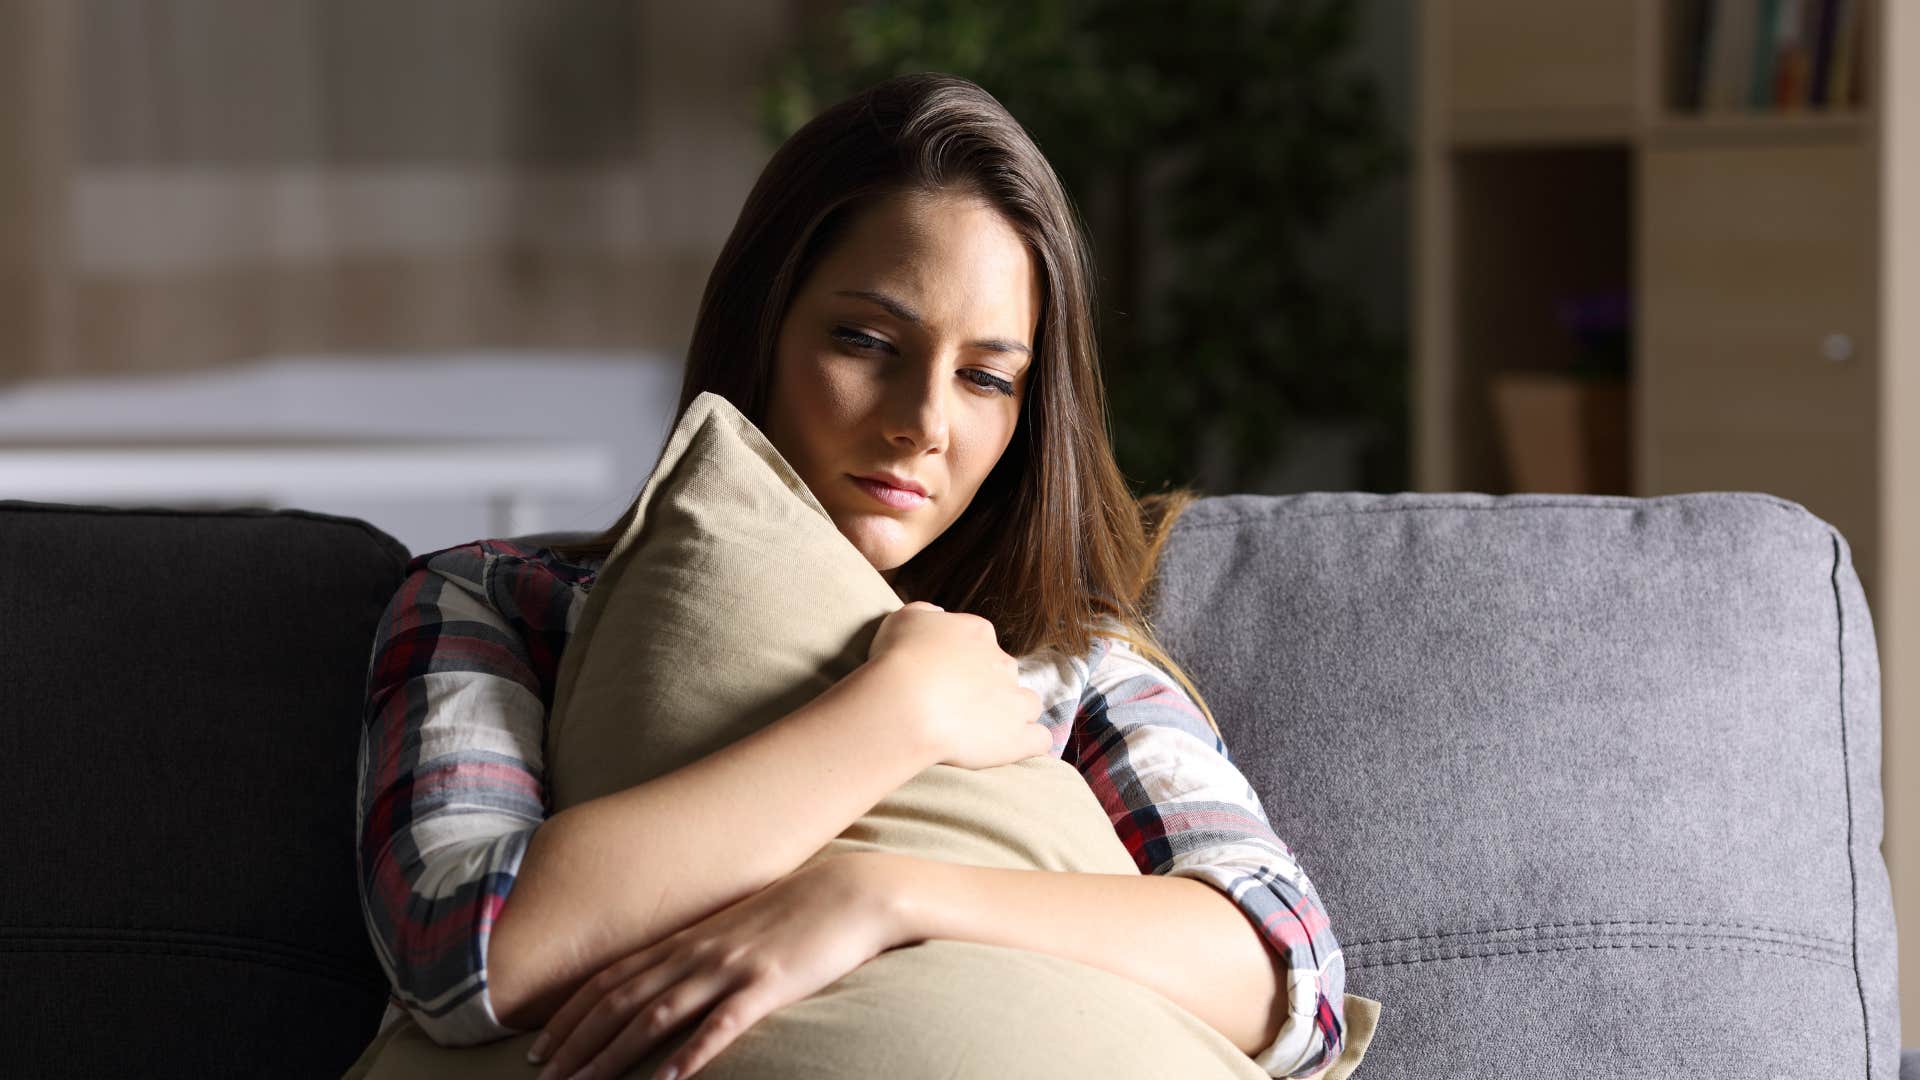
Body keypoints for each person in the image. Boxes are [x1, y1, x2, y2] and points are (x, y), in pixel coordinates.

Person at [355, 72, 1348, 1080]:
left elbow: (1289, 973)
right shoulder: (506, 603)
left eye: (985, 377)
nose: (922, 420)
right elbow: (462, 956)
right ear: (764, 329)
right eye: (867, 341)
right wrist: (898, 712)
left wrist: (877, 897)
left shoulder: (1063, 663)